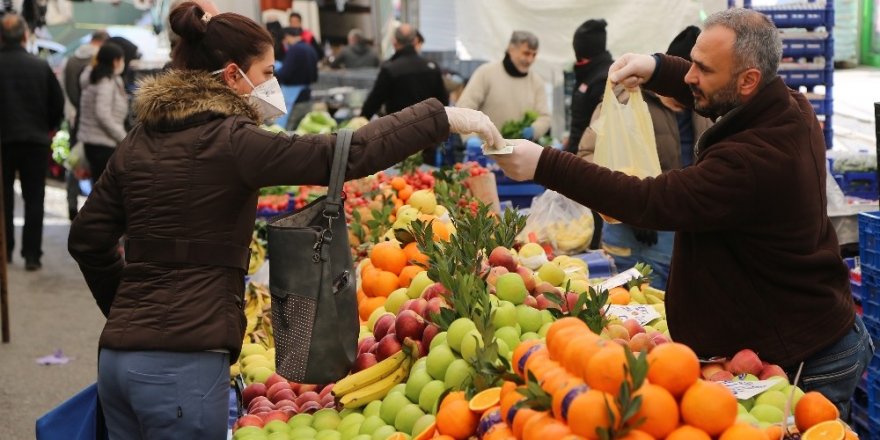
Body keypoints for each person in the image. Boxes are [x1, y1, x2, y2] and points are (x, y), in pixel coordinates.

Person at [67, 2, 501, 438]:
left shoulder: (137, 142)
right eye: (267, 72)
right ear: (233, 75)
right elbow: (340, 154)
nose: (272, 84)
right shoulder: (233, 141)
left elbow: (86, 237)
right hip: (184, 366)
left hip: (118, 363)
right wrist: (439, 117)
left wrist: (129, 313)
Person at [492, 8, 872, 416]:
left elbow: (651, 200)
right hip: (800, 333)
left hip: (807, 360)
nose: (690, 76)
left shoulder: (755, 161)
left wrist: (546, 164)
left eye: (701, 69)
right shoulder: (786, 105)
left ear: (749, 81)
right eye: (691, 61)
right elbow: (714, 84)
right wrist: (655, 68)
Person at [576, 25, 711, 289]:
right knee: (627, 316)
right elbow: (587, 156)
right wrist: (630, 206)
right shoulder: (627, 101)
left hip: (681, 237)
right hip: (629, 240)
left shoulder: (705, 108)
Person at [0, 13, 64, 270]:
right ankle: (32, 255)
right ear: (25, 35)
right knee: (35, 199)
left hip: (3, 142)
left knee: (3, 200)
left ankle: (4, 252)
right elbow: (56, 104)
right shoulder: (40, 66)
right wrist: (46, 127)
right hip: (35, 142)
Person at [360, 23, 448, 164]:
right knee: (425, 180)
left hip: (398, 138)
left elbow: (373, 103)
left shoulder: (390, 69)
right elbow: (444, 101)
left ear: (394, 43)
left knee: (400, 181)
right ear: (415, 41)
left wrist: (360, 122)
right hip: (427, 137)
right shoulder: (432, 67)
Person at [457, 30, 551, 142]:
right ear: (511, 49)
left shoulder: (536, 82)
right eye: (526, 53)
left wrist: (534, 130)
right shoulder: (486, 73)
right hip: (485, 150)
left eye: (534, 55)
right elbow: (464, 108)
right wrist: (470, 138)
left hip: (520, 153)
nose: (530, 59)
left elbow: (544, 117)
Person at [62, 29, 109, 220]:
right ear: (103, 43)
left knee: (75, 162)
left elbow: (66, 90)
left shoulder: (71, 60)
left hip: (75, 119)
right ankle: (93, 208)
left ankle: (71, 204)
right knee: (97, 168)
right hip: (95, 123)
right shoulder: (99, 61)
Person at [77, 42, 129, 184]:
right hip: (103, 144)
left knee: (98, 187)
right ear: (115, 61)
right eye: (121, 59)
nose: (123, 63)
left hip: (93, 143)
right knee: (105, 189)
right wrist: (122, 137)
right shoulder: (105, 83)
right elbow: (103, 114)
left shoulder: (94, 78)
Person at [567, 19, 613, 153]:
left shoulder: (602, 81)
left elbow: (598, 130)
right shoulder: (589, 73)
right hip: (580, 153)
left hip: (590, 159)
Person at [277, 26, 318, 129]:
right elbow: (315, 75)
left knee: (290, 129)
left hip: (294, 99)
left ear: (287, 37)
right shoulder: (310, 48)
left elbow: (285, 73)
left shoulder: (294, 50)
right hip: (307, 96)